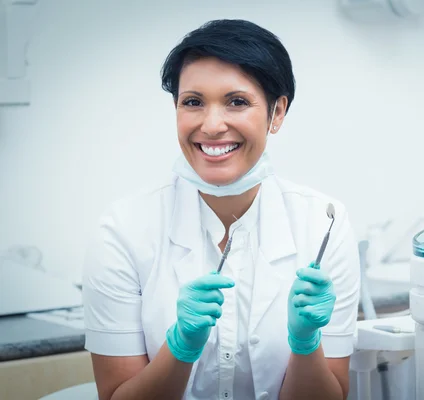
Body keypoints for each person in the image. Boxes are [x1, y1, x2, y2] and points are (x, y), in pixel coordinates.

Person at [82, 19, 360, 400]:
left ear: (277, 113)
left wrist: (306, 342)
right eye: (193, 102)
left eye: (237, 102)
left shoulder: (323, 224)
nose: (212, 125)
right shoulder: (123, 228)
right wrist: (180, 348)